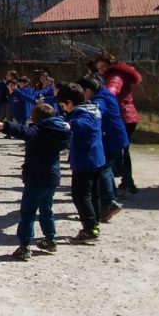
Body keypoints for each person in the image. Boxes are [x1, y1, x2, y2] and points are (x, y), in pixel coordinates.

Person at [0, 102, 71, 261]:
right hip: (52, 177)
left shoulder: (39, 131)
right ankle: (50, 239)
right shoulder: (61, 130)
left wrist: (3, 126)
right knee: (47, 209)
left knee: (28, 212)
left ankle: (24, 246)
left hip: (36, 177)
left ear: (36, 117)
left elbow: (22, 131)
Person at [55, 83, 105, 244]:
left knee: (80, 195)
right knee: (93, 194)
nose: (63, 109)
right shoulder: (93, 107)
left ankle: (90, 227)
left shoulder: (81, 113)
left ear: (69, 102)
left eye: (63, 105)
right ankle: (95, 221)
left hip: (85, 160)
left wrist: (70, 125)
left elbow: (84, 123)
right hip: (97, 158)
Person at [76, 76, 127, 222]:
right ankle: (109, 201)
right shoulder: (103, 93)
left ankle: (109, 202)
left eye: (81, 93)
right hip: (114, 138)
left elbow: (97, 109)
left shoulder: (100, 100)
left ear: (87, 90)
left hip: (111, 140)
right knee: (107, 169)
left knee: (103, 169)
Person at [95, 56, 142, 195]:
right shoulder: (115, 74)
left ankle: (122, 185)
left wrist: (99, 102)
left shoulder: (115, 75)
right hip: (126, 115)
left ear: (111, 64)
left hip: (123, 117)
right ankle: (127, 183)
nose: (101, 70)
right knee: (122, 151)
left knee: (118, 151)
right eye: (99, 68)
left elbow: (112, 91)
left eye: (103, 66)